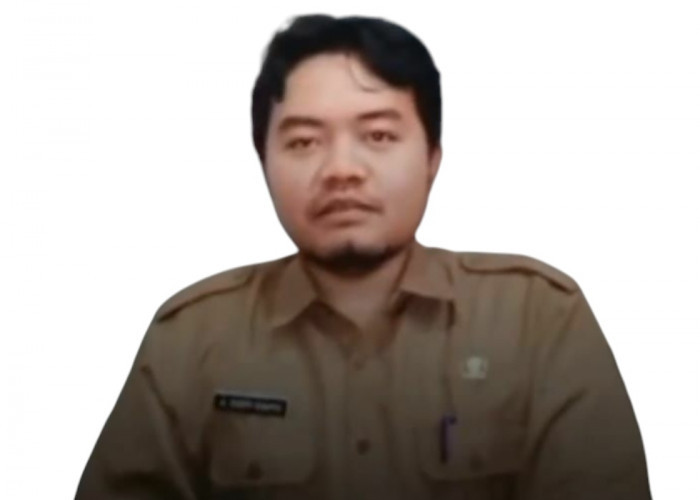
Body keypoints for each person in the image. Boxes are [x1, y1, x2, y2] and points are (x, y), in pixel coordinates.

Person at [75, 14, 653, 500]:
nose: (342, 170)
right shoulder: (192, 339)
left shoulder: (537, 319)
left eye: (377, 136)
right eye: (304, 142)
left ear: (432, 157)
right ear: (263, 161)